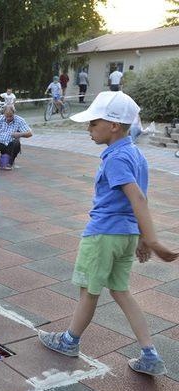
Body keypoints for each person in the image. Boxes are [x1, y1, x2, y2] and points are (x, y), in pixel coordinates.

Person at [38, 91, 179, 376]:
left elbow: (136, 197)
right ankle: (149, 352)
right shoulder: (137, 155)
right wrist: (140, 237)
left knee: (89, 292)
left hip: (103, 234)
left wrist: (152, 239)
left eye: (93, 123)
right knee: (121, 291)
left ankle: (69, 341)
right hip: (126, 236)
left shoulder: (116, 158)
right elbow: (141, 199)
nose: (88, 128)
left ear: (113, 125)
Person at [0, 105, 32, 170]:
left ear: (14, 113)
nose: (8, 118)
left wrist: (19, 134)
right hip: (0, 145)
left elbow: (30, 133)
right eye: (6, 116)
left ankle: (9, 163)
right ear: (4, 114)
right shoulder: (0, 118)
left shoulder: (19, 120)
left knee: (16, 142)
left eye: (11, 116)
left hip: (11, 146)